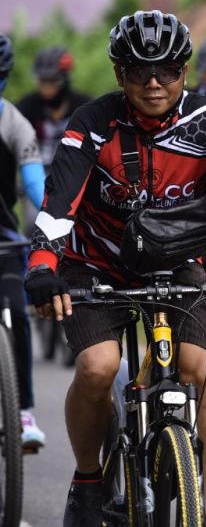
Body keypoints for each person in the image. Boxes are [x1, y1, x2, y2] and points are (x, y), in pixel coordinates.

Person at [21, 10, 206, 527]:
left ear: (185, 70)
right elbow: (58, 206)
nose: (153, 82)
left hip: (176, 261)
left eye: (166, 69)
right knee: (98, 367)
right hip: (93, 262)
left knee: (202, 376)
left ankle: (199, 512)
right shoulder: (92, 124)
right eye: (138, 70)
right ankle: (88, 479)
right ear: (119, 75)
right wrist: (41, 266)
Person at [0, 33, 48, 451]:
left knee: (17, 316)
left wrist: (58, 220)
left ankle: (23, 412)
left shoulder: (13, 122)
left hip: (3, 239)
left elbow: (35, 181)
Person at [16, 45, 92, 230]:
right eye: (42, 81)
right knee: (36, 224)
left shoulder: (85, 107)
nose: (46, 88)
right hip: (36, 171)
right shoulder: (27, 107)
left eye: (52, 81)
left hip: (75, 171)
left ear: (64, 80)